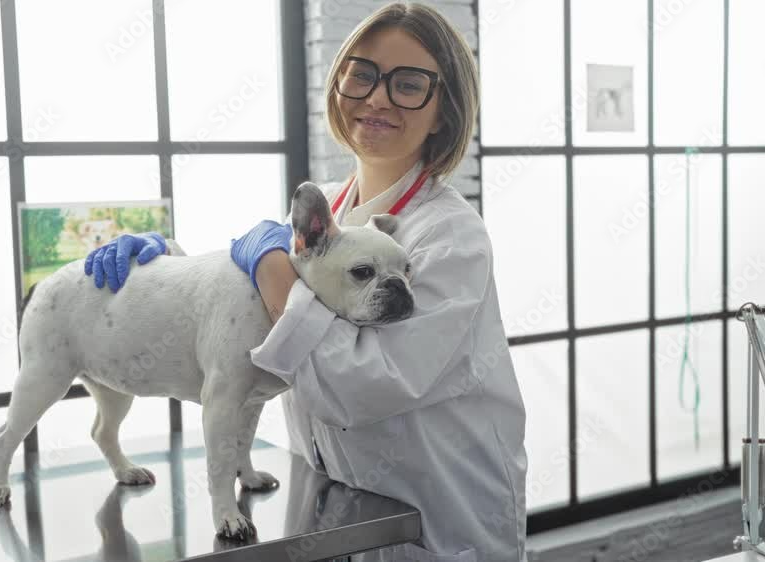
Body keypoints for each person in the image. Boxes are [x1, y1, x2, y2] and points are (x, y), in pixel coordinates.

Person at [84, 3, 526, 560]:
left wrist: (273, 276)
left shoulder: (452, 236)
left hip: (436, 520)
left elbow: (366, 385)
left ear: (444, 111)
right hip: (335, 509)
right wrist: (161, 266)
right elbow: (238, 309)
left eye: (409, 84)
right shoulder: (329, 211)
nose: (378, 97)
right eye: (361, 74)